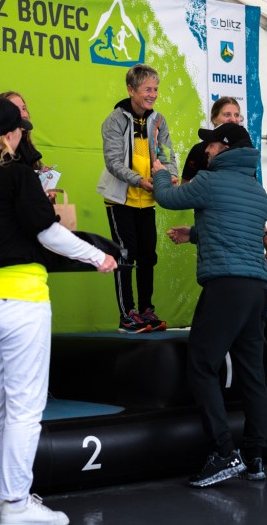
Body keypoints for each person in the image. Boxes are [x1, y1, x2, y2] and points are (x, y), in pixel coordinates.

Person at [0, 96, 117, 525]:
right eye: (20, 129)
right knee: (25, 407)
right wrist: (98, 257)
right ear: (11, 134)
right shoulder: (18, 176)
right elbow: (49, 234)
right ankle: (17, 504)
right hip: (20, 300)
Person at [151, 122, 267, 487]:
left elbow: (167, 198)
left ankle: (223, 452)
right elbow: (234, 228)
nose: (206, 150)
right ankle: (255, 456)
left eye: (213, 144)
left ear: (226, 148)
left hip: (225, 287)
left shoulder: (209, 182)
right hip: (255, 290)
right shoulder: (258, 191)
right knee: (253, 374)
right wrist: (194, 235)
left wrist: (160, 172)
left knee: (202, 365)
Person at [96, 63, 179, 333]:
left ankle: (146, 310)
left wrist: (171, 175)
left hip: (147, 200)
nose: (153, 94)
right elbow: (113, 162)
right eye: (147, 89)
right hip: (120, 199)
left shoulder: (159, 120)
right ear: (131, 90)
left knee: (147, 256)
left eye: (155, 89)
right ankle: (127, 315)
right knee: (125, 255)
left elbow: (167, 154)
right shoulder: (115, 120)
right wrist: (139, 180)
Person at [182, 96, 267, 258]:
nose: (233, 119)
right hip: (213, 232)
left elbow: (252, 200)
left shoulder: (245, 155)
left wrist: (265, 236)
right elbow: (183, 189)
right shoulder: (200, 150)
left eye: (237, 115)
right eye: (227, 114)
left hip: (242, 231)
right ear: (214, 119)